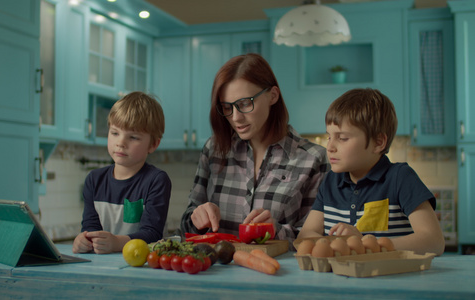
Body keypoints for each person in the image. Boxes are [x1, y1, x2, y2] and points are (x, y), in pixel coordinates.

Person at [180, 53, 330, 246]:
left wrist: (276, 229)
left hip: (278, 273)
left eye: (244, 104)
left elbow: (316, 238)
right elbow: (186, 226)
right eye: (227, 107)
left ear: (273, 96)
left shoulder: (313, 159)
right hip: (215, 272)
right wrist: (196, 218)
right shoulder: (214, 150)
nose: (235, 118)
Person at [298, 88, 445, 255]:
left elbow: (434, 241)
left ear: (378, 142)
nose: (330, 147)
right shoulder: (331, 181)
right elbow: (307, 234)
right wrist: (337, 245)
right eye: (329, 137)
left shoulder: (400, 178)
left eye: (342, 138)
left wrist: (366, 244)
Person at [73, 92, 172, 254]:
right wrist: (83, 241)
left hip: (143, 267)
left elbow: (152, 234)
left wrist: (117, 242)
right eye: (115, 133)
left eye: (133, 137)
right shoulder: (93, 180)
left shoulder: (157, 180)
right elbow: (90, 229)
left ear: (153, 144)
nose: (120, 143)